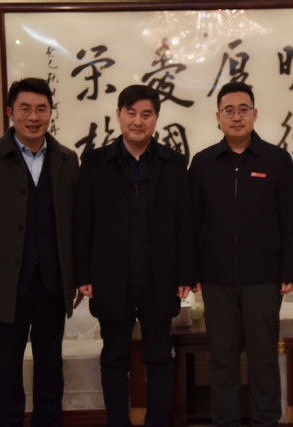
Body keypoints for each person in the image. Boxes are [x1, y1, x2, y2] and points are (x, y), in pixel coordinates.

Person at [0, 77, 79, 427]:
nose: (33, 116)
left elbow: (76, 224)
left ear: (50, 113)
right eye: (25, 108)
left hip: (52, 283)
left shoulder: (67, 159)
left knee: (50, 372)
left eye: (41, 109)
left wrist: (76, 276)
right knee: (6, 373)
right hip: (4, 285)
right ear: (10, 112)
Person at [73, 84, 193, 427]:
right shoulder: (95, 162)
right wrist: (83, 274)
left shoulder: (173, 163)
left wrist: (185, 274)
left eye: (146, 114)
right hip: (111, 278)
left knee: (160, 358)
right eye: (131, 113)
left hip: (159, 277)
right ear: (119, 115)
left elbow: (185, 222)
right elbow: (82, 222)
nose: (138, 121)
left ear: (156, 118)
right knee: (114, 358)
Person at [189, 81, 293, 426]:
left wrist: (290, 269)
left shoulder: (277, 160)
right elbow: (191, 222)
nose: (236, 117)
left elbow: (292, 219)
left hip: (263, 279)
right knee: (221, 359)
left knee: (263, 358)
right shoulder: (203, 163)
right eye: (229, 110)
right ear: (218, 117)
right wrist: (191, 271)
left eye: (243, 110)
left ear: (255, 114)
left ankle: (267, 420)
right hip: (216, 279)